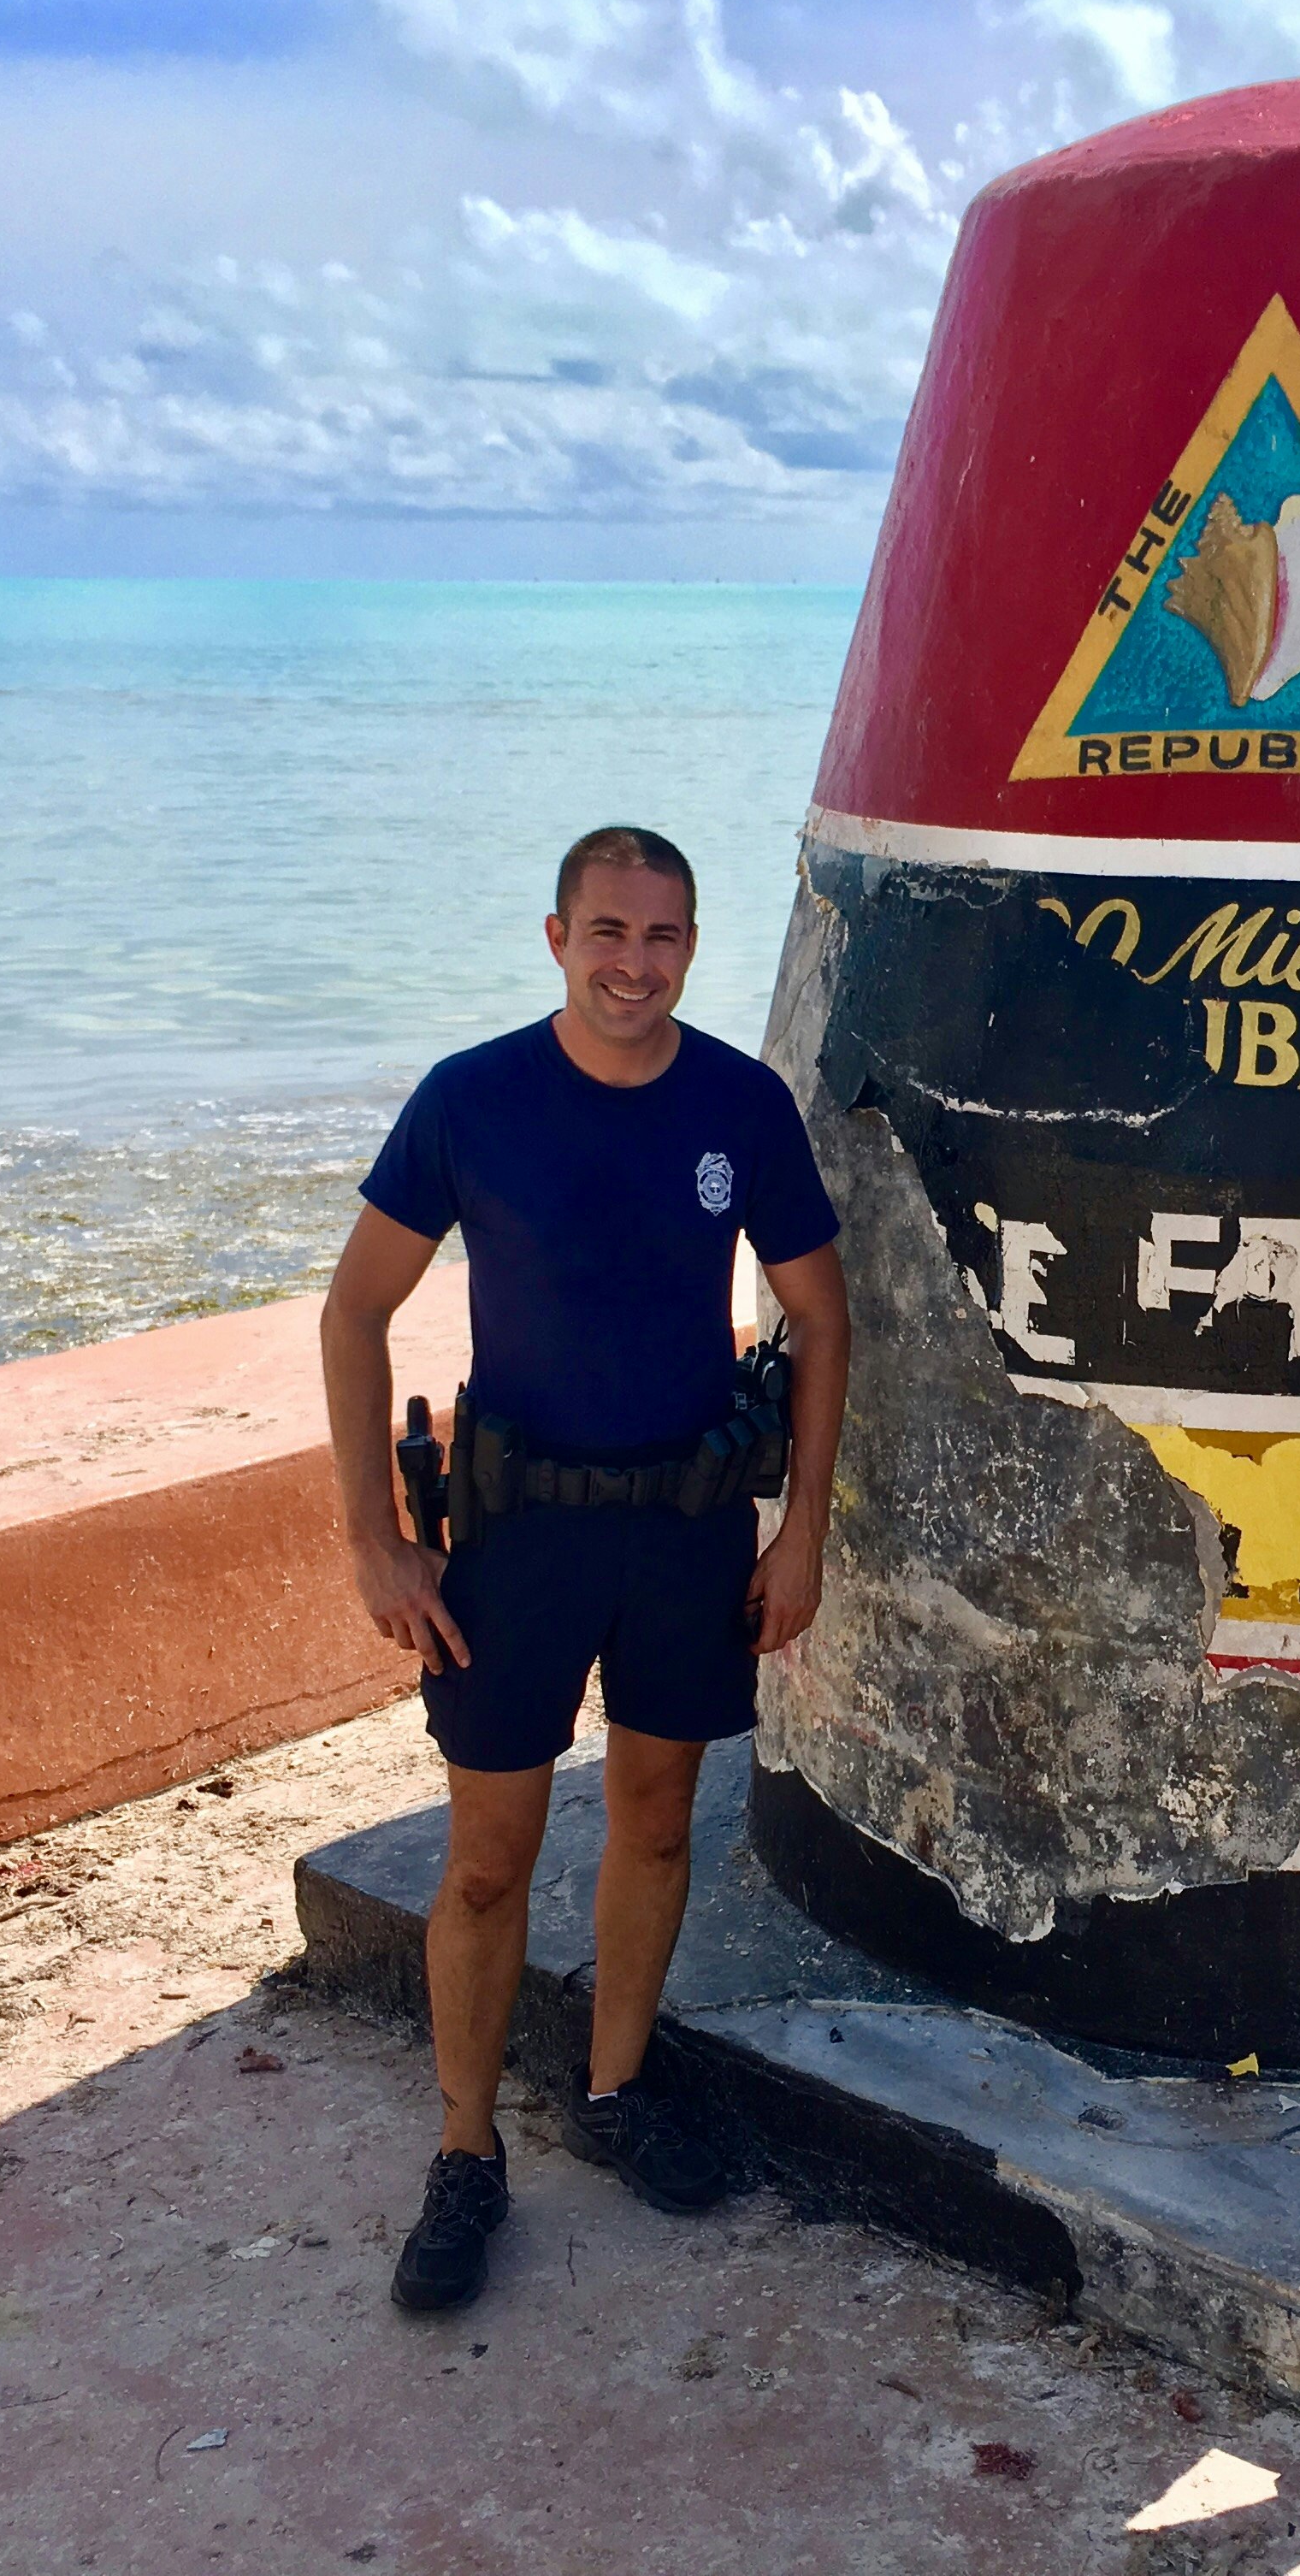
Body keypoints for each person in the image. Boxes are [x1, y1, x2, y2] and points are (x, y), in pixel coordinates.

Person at [318, 823, 848, 2315]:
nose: (636, 964)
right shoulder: (473, 1100)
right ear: (556, 937)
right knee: (486, 1862)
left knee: (657, 1823)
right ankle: (467, 2148)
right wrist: (376, 1536)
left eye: (665, 937)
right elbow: (353, 1313)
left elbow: (823, 1314)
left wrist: (798, 1527)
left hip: (686, 1533)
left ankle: (616, 2092)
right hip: (517, 1538)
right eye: (608, 933)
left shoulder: (740, 1106)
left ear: (694, 946)